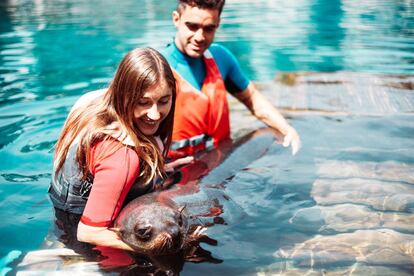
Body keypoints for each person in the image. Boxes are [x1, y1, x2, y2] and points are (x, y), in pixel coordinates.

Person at [48, 47, 176, 251]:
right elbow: (89, 233)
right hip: (86, 244)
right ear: (124, 94)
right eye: (143, 102)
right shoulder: (122, 157)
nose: (154, 114)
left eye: (163, 101)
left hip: (60, 217)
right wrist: (156, 247)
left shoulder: (90, 101)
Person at [161, 0, 301, 157]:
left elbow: (252, 98)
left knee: (270, 135)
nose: (199, 37)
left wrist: (286, 129)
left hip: (221, 161)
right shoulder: (157, 67)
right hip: (177, 167)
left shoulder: (220, 57)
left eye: (209, 28)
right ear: (176, 19)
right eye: (192, 26)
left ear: (218, 24)